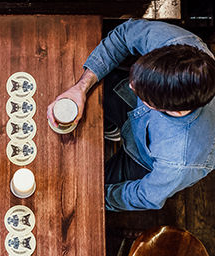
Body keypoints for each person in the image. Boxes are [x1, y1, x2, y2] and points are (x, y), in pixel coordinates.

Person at [47, 19, 215, 211]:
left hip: (143, 158)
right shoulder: (180, 45)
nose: (131, 86)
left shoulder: (180, 161)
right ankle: (111, 126)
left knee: (77, 191)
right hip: (131, 107)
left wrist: (91, 196)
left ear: (176, 111)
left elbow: (143, 196)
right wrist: (80, 88)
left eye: (144, 96)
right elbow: (124, 35)